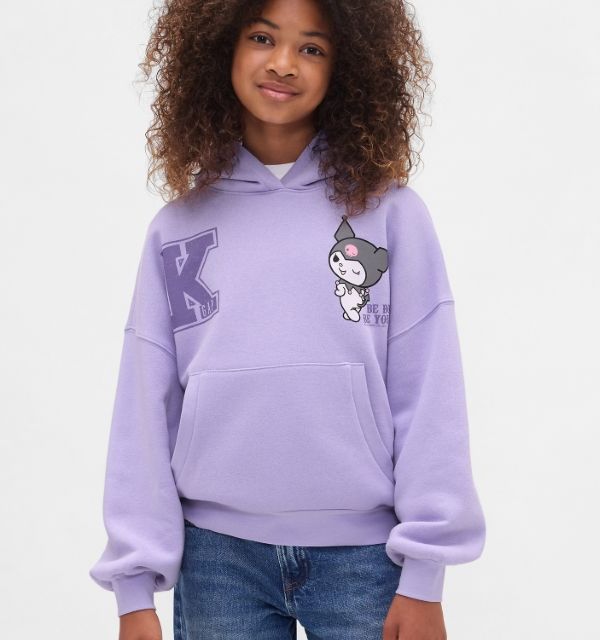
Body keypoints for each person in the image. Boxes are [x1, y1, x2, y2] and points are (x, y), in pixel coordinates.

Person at [89, 0, 487, 638]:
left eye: (312, 47)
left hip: (366, 560)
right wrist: (133, 588)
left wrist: (425, 572)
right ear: (220, 49)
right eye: (262, 37)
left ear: (347, 68)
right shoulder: (177, 228)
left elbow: (429, 393)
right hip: (216, 559)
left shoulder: (392, 216)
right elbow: (144, 407)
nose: (283, 63)